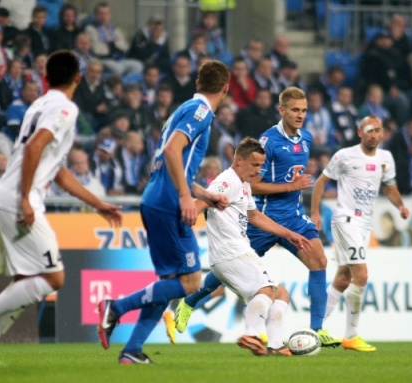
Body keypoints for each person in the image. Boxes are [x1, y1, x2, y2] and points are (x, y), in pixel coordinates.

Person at [0, 50, 123, 367]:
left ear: (46, 78)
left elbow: (56, 168)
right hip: (19, 199)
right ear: (78, 77)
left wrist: (97, 203)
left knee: (28, 281)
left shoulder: (39, 104)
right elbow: (34, 148)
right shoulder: (65, 108)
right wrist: (24, 197)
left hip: (9, 196)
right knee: (54, 278)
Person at [175, 87, 339, 348]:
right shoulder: (267, 141)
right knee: (227, 269)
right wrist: (289, 187)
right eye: (295, 110)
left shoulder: (306, 139)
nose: (300, 115)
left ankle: (316, 330)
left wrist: (298, 197)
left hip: (295, 216)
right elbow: (253, 184)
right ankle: (191, 301)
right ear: (282, 110)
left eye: (304, 110)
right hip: (263, 216)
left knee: (319, 260)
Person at [97, 59, 231, 364]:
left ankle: (132, 350)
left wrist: (203, 194)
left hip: (156, 198)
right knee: (191, 282)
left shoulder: (182, 109)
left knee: (168, 281)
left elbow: (175, 165)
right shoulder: (200, 113)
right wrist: (186, 197)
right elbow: (172, 151)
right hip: (169, 203)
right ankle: (115, 308)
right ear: (225, 88)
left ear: (198, 83)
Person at [197, 137, 312, 356]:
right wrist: (188, 212)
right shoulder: (227, 181)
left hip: (237, 252)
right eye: (255, 165)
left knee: (281, 294)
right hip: (231, 251)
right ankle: (251, 334)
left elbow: (254, 216)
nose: (259, 170)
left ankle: (275, 345)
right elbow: (201, 202)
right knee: (266, 290)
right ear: (239, 160)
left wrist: (290, 234)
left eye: (261, 165)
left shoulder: (244, 184)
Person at [311, 116, 409, 352]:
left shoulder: (386, 158)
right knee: (361, 276)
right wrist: (315, 212)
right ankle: (351, 335)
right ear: (359, 133)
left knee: (344, 278)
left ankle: (313, 330)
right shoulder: (344, 155)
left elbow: (390, 187)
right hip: (346, 220)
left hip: (364, 224)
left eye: (377, 130)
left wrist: (400, 206)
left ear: (382, 133)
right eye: (369, 130)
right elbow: (321, 182)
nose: (373, 134)